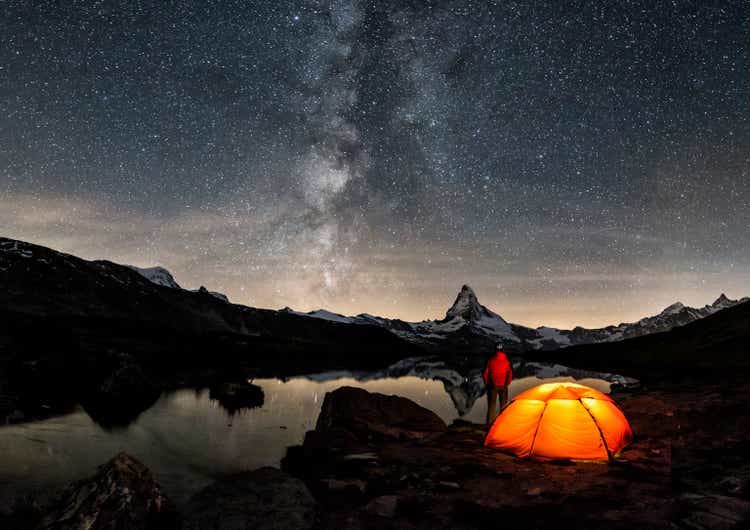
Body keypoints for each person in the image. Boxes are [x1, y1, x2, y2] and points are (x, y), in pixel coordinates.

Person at [483, 342, 513, 426]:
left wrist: (487, 383)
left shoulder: (490, 360)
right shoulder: (507, 361)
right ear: (503, 350)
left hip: (492, 386)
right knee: (503, 407)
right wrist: (507, 383)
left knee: (491, 407)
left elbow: (485, 373)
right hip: (503, 386)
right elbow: (510, 373)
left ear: (495, 349)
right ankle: (502, 426)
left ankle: (489, 425)